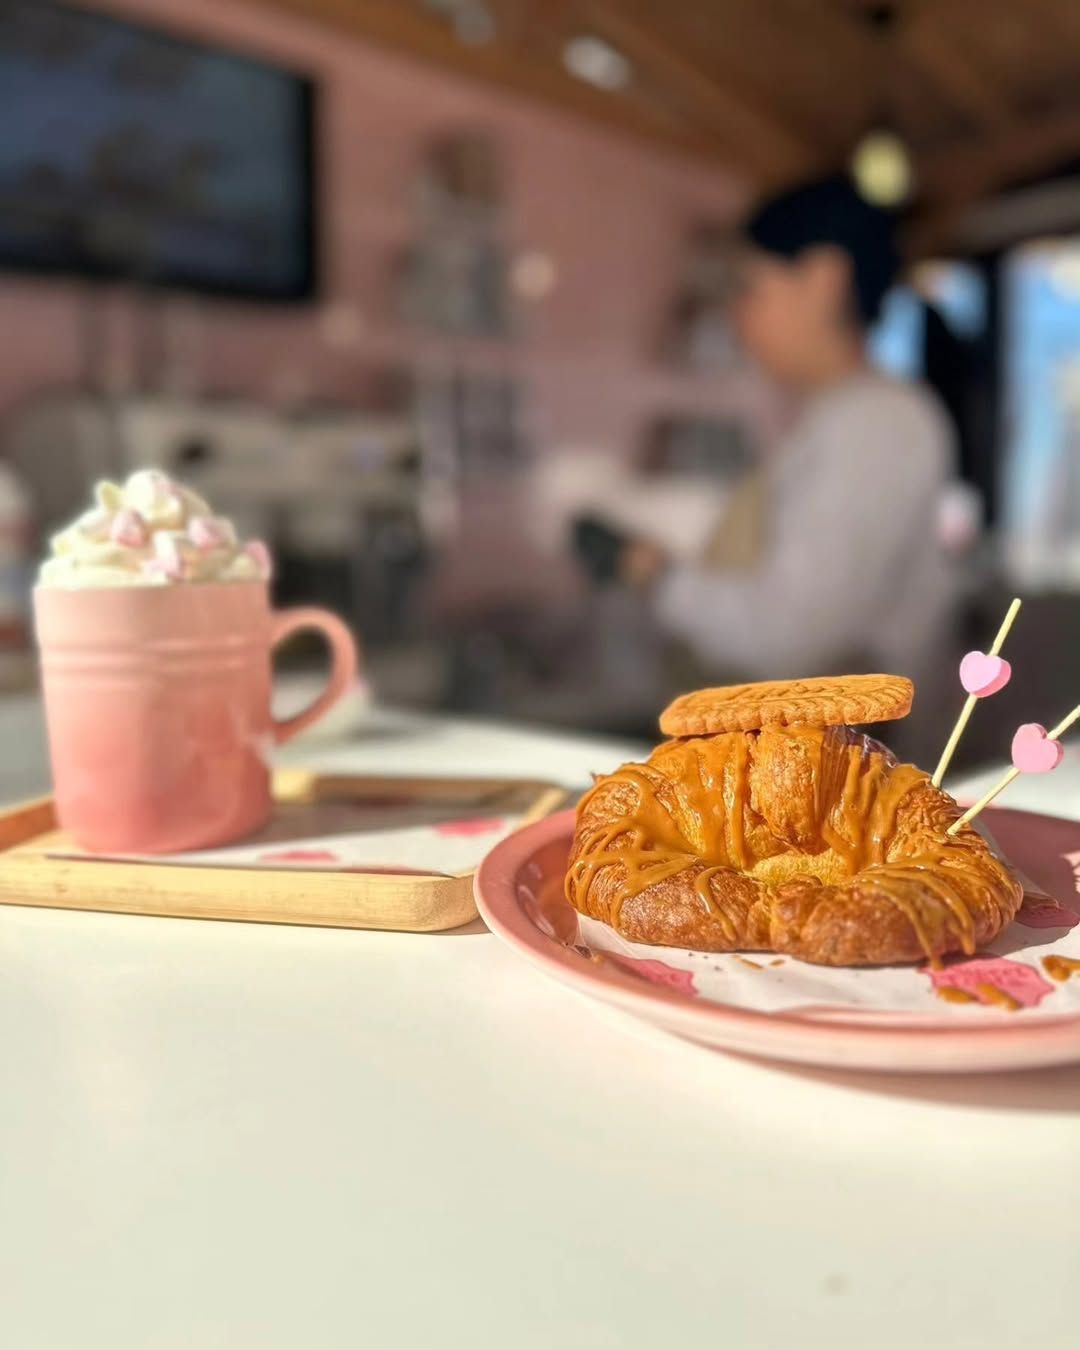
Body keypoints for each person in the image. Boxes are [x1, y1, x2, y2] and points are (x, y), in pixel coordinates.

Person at [618, 175, 956, 688]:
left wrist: (654, 572)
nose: (736, 314)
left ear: (823, 280)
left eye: (748, 287)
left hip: (841, 735)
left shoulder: (874, 424)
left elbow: (786, 638)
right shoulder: (847, 416)